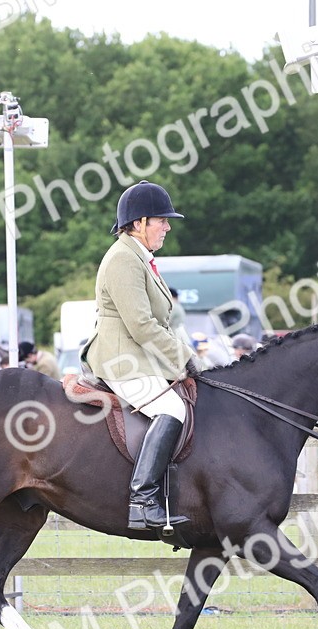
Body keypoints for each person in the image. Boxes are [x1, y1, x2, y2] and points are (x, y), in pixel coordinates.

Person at [81, 180, 197, 535]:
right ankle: (142, 500)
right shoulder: (122, 259)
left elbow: (158, 322)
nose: (168, 226)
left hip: (138, 357)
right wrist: (186, 358)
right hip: (121, 360)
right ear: (140, 223)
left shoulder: (140, 259)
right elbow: (142, 325)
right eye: (162, 220)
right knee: (172, 409)